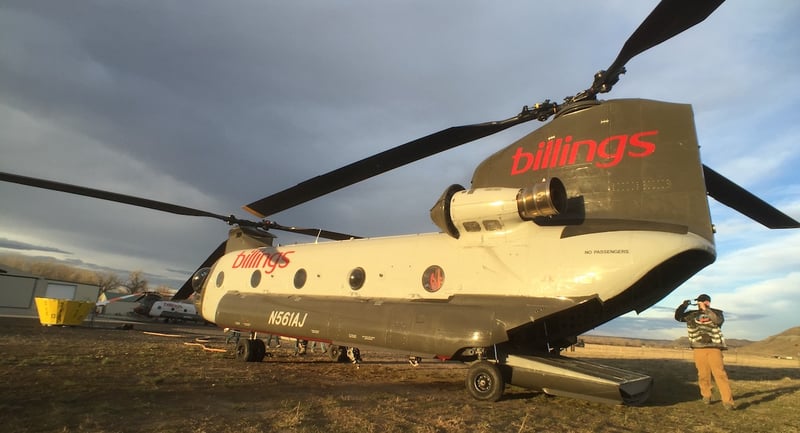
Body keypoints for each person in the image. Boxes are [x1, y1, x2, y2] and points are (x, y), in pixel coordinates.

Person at [674, 294, 735, 410]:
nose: (701, 303)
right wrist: (683, 306)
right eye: (700, 301)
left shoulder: (717, 313)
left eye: (704, 301)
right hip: (698, 347)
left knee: (720, 374)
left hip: (714, 347)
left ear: (709, 302)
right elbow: (678, 317)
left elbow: (717, 321)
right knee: (703, 374)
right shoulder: (691, 315)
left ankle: (728, 402)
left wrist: (705, 309)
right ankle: (706, 395)